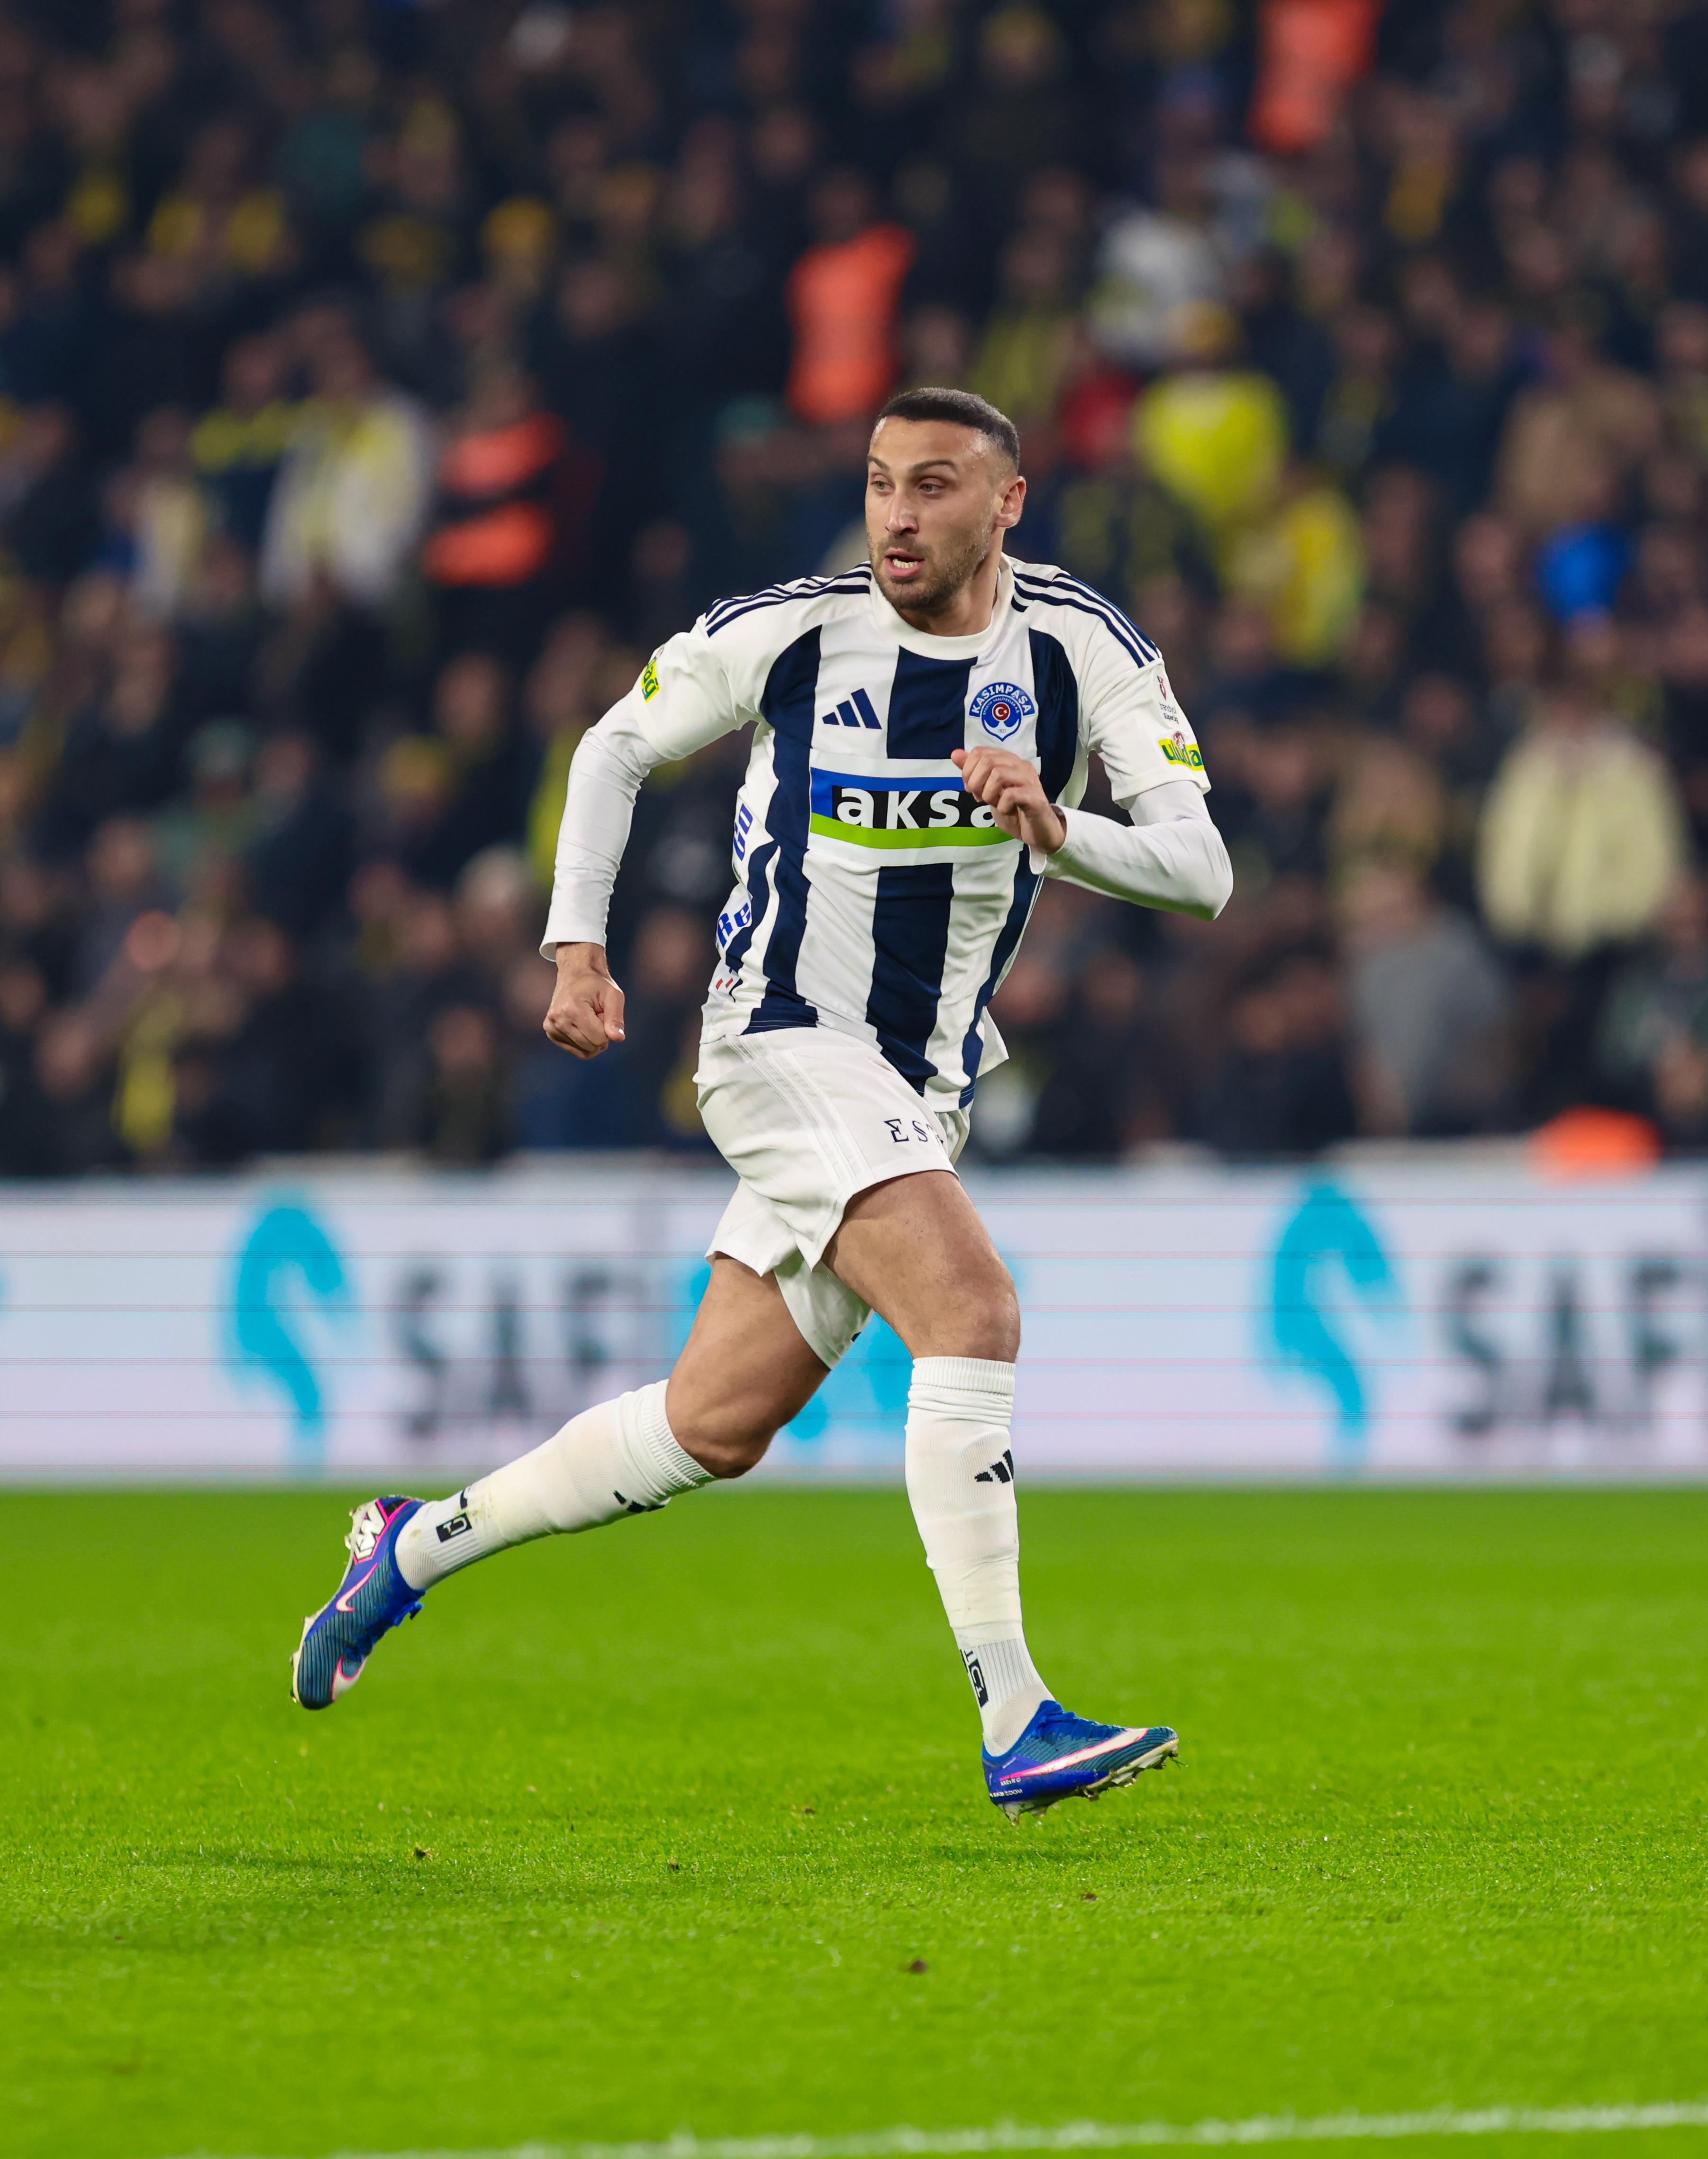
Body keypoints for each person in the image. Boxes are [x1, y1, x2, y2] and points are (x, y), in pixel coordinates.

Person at [288, 387, 1233, 1821]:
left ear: (1007, 504)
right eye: (880, 483)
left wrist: (1060, 826)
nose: (897, 515)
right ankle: (1017, 1715)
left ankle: (409, 1547)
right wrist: (577, 946)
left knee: (708, 1426)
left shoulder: (1080, 646)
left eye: (933, 485)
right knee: (971, 1310)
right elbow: (611, 747)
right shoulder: (793, 630)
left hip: (918, 1084)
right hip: (780, 1042)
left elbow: (1202, 871)